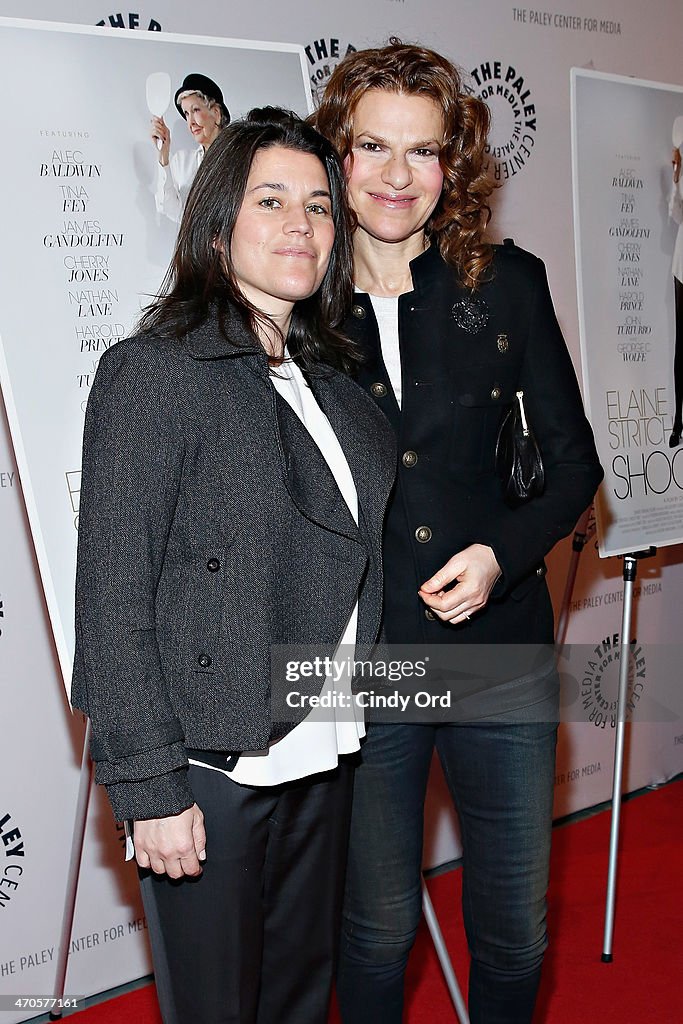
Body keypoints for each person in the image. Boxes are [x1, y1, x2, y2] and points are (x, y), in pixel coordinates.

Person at [71, 107, 395, 1024]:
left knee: (296, 1002)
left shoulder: (328, 379)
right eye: (271, 200)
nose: (302, 224)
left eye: (321, 206)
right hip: (211, 770)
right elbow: (114, 598)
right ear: (218, 223)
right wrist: (149, 790)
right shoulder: (157, 373)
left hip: (319, 745)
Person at [313, 41, 603, 1024]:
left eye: (423, 152)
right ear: (334, 153)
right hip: (365, 658)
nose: (397, 177)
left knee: (513, 926)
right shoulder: (289, 302)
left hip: (498, 651)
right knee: (374, 928)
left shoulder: (505, 282)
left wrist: (497, 555)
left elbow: (571, 468)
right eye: (372, 147)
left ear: (454, 164)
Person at [150, 72, 230, 223]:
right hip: (193, 245)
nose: (191, 122)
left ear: (216, 113)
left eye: (196, 110)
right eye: (187, 114)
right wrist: (163, 157)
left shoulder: (238, 159)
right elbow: (169, 208)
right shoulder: (182, 160)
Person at [668, 128, 683, 446]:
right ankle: (678, 422)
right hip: (682, 268)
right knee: (681, 346)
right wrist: (677, 172)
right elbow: (674, 211)